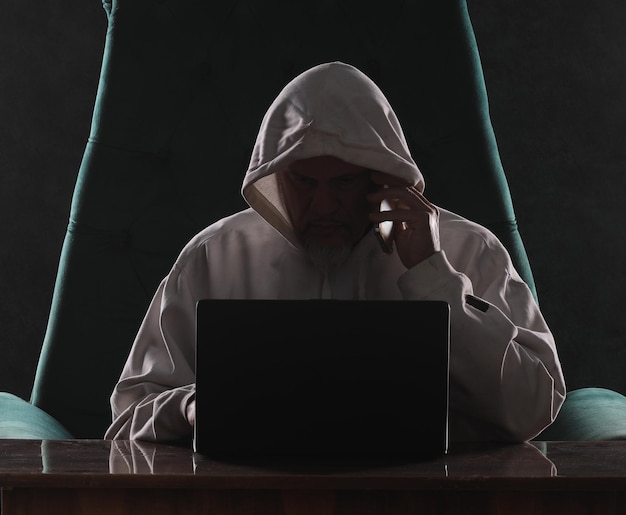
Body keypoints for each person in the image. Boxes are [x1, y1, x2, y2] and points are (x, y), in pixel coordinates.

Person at [104, 61, 566, 444]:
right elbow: (127, 421)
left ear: (381, 177)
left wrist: (431, 274)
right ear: (274, 178)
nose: (324, 206)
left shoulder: (469, 249)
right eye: (304, 182)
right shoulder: (214, 256)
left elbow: (534, 406)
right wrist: (189, 407)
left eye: (344, 182)